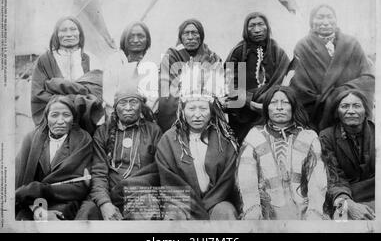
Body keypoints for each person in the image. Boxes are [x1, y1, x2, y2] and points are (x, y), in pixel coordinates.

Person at [156, 62, 239, 220]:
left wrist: (206, 205)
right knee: (174, 215)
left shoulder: (225, 139)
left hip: (216, 201)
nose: (197, 115)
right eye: (192, 108)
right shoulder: (169, 140)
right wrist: (195, 208)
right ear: (182, 110)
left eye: (203, 108)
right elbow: (169, 182)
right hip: (181, 203)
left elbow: (227, 181)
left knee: (226, 212)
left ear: (211, 111)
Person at [237, 86, 327, 220]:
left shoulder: (308, 136)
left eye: (285, 102)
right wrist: (253, 209)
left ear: (294, 107)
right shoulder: (255, 136)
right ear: (267, 108)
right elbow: (246, 179)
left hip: (303, 210)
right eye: (273, 103)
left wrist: (314, 211)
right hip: (265, 211)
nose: (279, 107)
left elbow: (317, 178)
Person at [77, 86, 163, 220]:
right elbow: (99, 172)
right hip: (108, 193)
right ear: (116, 107)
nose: (128, 107)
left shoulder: (154, 131)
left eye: (133, 102)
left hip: (140, 194)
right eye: (123, 103)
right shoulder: (103, 132)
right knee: (87, 213)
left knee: (146, 210)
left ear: (141, 106)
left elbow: (158, 171)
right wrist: (104, 203)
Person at [290, 4, 374, 131]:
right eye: (320, 17)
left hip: (351, 107)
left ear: (336, 19)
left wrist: (338, 94)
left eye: (329, 17)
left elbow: (368, 79)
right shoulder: (303, 46)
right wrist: (326, 102)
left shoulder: (351, 43)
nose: (325, 22)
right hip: (319, 114)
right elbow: (300, 87)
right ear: (311, 21)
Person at [15, 95, 93, 220]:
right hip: (30, 203)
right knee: (21, 219)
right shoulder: (31, 139)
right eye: (54, 115)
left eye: (66, 115)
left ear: (73, 118)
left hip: (65, 201)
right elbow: (20, 182)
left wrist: (39, 189)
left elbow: (80, 186)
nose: (60, 121)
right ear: (46, 117)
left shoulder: (83, 140)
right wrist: (37, 208)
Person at [225, 12, 290, 144]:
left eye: (260, 24)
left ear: (267, 27)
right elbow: (232, 86)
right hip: (244, 112)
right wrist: (252, 104)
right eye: (252, 26)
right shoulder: (238, 53)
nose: (257, 30)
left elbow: (286, 81)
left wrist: (269, 104)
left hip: (273, 108)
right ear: (246, 29)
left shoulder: (277, 52)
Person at [31, 16, 103, 134]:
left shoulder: (92, 59)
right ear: (56, 34)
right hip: (55, 121)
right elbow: (38, 93)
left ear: (80, 33)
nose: (69, 34)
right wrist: (77, 96)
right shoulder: (45, 60)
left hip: (85, 122)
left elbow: (97, 93)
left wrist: (55, 85)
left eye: (73, 29)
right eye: (63, 30)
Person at [157, 18, 221, 132]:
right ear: (180, 37)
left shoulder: (212, 58)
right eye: (186, 33)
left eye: (194, 33)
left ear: (201, 36)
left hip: (206, 112)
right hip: (178, 111)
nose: (190, 37)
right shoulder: (171, 56)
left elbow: (217, 88)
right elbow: (166, 87)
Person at [320, 90, 375, 220]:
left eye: (356, 106)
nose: (351, 111)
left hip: (376, 195)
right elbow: (333, 178)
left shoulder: (379, 133)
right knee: (341, 219)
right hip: (343, 196)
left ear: (366, 110)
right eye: (344, 106)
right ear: (337, 112)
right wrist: (348, 204)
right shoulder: (326, 137)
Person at [103, 21, 158, 114]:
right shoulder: (113, 61)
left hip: (145, 115)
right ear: (124, 39)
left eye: (140, 36)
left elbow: (153, 97)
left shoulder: (154, 62)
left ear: (147, 39)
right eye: (131, 36)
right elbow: (108, 94)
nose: (136, 40)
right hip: (117, 114)